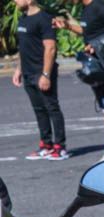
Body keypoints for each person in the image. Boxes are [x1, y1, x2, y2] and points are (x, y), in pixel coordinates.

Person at [53, 0, 104, 160]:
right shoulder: (86, 9)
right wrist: (67, 25)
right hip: (97, 66)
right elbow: (88, 31)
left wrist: (97, 45)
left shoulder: (101, 7)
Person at [11, 0, 68, 160]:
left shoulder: (44, 19)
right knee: (39, 109)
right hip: (28, 73)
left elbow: (50, 48)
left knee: (52, 108)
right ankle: (46, 145)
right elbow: (24, 47)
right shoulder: (23, 19)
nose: (15, 1)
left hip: (41, 72)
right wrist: (18, 69)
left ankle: (60, 147)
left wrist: (46, 74)